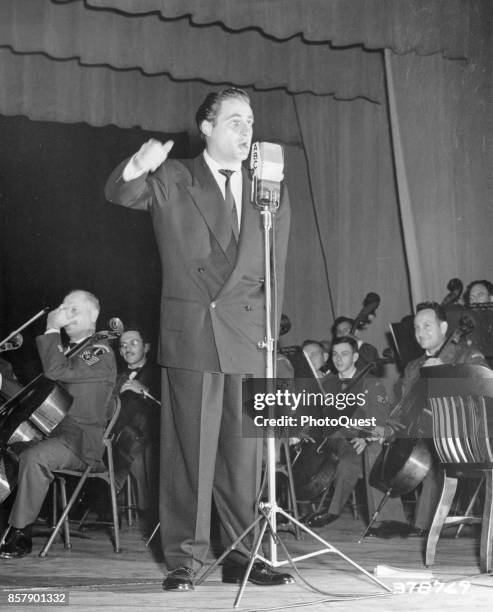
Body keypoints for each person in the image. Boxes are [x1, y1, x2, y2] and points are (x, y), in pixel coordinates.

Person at [105, 87, 292, 590]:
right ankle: (184, 560)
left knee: (242, 455)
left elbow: (276, 271)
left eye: (249, 120)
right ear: (206, 127)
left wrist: (270, 339)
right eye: (234, 120)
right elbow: (121, 194)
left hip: (248, 337)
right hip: (193, 333)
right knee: (191, 453)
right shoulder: (173, 176)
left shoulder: (268, 186)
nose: (246, 128)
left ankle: (241, 554)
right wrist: (136, 164)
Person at [0, 290, 116, 558]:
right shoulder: (69, 353)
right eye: (64, 308)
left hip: (79, 442)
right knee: (10, 447)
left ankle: (21, 534)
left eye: (75, 309)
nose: (66, 314)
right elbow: (36, 396)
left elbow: (57, 372)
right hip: (54, 434)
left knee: (35, 456)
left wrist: (52, 327)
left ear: (94, 315)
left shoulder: (99, 350)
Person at [375, 301, 488, 536]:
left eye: (427, 326)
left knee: (435, 451)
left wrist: (447, 373)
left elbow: (485, 393)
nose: (420, 333)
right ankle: (392, 521)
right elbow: (402, 405)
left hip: (459, 434)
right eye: (416, 328)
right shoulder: (413, 366)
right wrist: (387, 426)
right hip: (418, 431)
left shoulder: (468, 355)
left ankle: (424, 527)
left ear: (444, 327)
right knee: (372, 449)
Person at [303, 336, 406, 528]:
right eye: (335, 354)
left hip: (353, 438)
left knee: (348, 463)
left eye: (344, 354)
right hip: (329, 438)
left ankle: (332, 511)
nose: (338, 359)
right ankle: (296, 506)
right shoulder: (327, 383)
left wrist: (365, 437)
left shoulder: (372, 383)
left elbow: (380, 419)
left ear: (355, 356)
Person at [113, 326, 160, 532]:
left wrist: (145, 391)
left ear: (146, 347)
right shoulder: (116, 376)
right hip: (120, 436)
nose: (127, 348)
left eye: (133, 343)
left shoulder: (158, 374)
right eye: (123, 345)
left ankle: (149, 514)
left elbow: (169, 407)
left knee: (140, 455)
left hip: (151, 435)